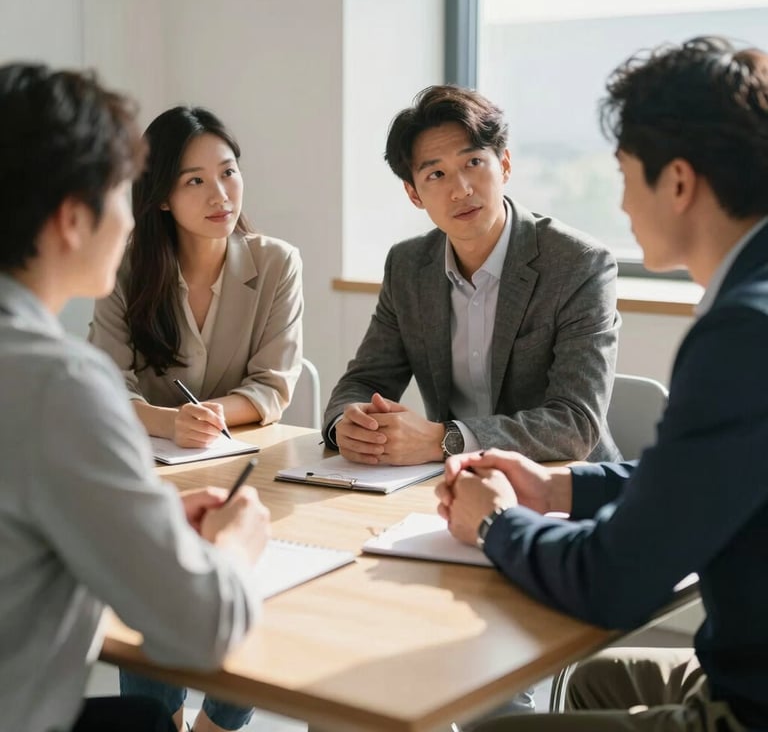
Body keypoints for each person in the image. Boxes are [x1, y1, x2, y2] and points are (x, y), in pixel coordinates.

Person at [437, 36, 768, 732]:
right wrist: (562, 488)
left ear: (677, 182)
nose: (619, 204)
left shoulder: (741, 334)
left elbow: (611, 582)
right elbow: (707, 473)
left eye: (623, 175)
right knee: (590, 684)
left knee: (497, 729)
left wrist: (495, 522)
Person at [0, 63, 271, 732]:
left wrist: (137, 514)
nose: (128, 222)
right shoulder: (57, 383)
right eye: (124, 193)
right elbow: (201, 627)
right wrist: (235, 544)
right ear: (71, 219)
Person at [323, 84, 621, 470]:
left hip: (562, 485)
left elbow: (574, 425)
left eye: (473, 163)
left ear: (506, 165)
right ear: (414, 194)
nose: (460, 190)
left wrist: (442, 439)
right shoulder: (408, 265)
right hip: (449, 482)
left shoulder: (579, 264)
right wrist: (347, 425)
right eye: (436, 174)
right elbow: (364, 381)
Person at [89, 106, 303, 449]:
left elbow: (270, 387)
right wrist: (170, 422)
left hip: (236, 453)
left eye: (228, 172)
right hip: (139, 455)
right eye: (195, 180)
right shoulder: (121, 270)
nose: (220, 195)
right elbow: (106, 386)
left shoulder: (278, 263)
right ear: (161, 198)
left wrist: (201, 418)